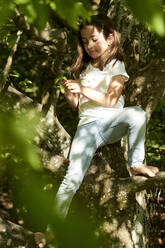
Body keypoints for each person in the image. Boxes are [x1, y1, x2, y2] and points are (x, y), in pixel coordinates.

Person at [53, 14, 159, 221]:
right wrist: (70, 93)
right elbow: (78, 106)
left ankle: (136, 163)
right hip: (86, 129)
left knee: (136, 113)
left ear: (109, 38)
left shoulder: (116, 65)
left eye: (94, 39)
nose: (89, 46)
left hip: (111, 122)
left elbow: (111, 100)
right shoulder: (82, 69)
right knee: (71, 179)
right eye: (85, 42)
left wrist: (82, 88)